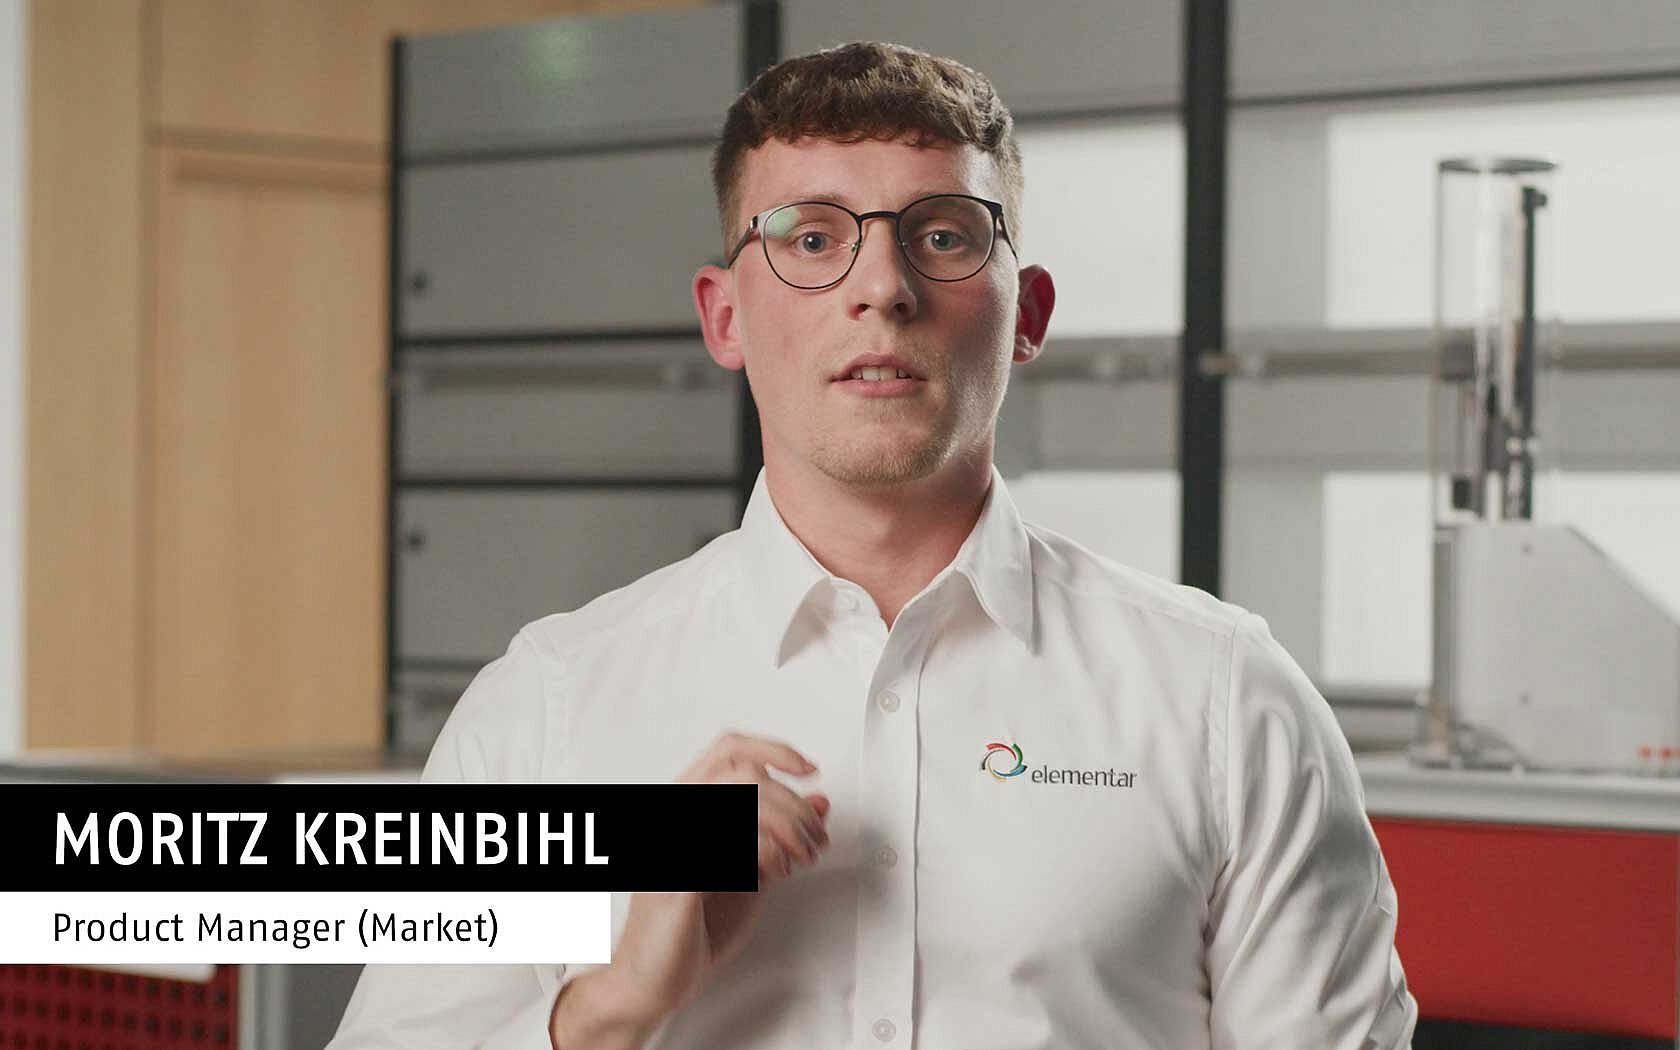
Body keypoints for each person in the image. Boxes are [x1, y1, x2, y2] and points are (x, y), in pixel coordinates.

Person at [328, 40, 1417, 1050]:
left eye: (942, 236)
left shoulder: (1226, 701)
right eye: (811, 239)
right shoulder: (545, 709)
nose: (882, 289)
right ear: (725, 319)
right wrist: (608, 1007)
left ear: (1027, 311)